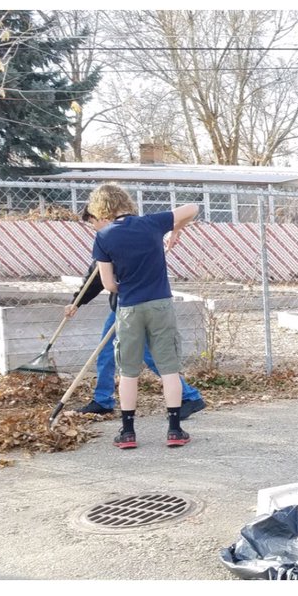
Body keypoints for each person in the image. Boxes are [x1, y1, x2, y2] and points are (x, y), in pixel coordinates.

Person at [88, 183, 199, 449]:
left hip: (129, 308)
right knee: (169, 368)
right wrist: (176, 230)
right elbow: (193, 208)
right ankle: (174, 430)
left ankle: (127, 433)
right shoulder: (152, 223)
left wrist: (123, 287)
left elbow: (107, 283)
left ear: (102, 208)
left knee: (128, 372)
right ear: (126, 202)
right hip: (160, 304)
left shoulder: (104, 236)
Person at [66, 212, 205, 420]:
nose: (94, 228)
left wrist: (175, 231)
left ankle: (189, 396)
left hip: (133, 306)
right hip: (127, 305)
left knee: (149, 356)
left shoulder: (120, 235)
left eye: (94, 222)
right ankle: (103, 399)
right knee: (109, 352)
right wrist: (77, 301)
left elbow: (106, 281)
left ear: (103, 215)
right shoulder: (115, 235)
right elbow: (95, 277)